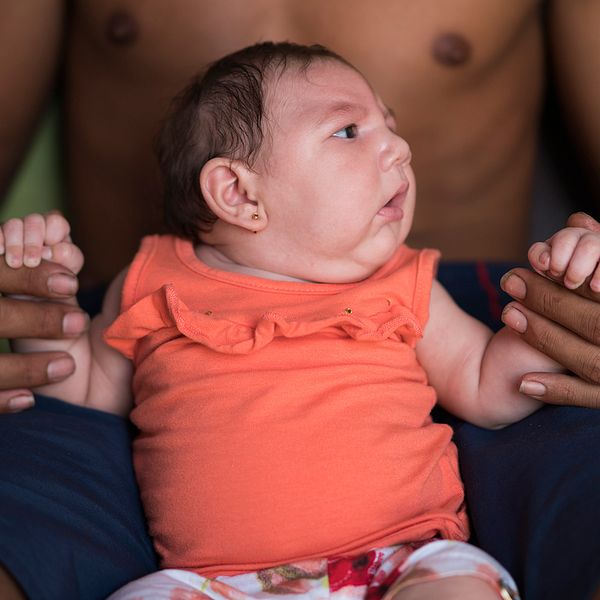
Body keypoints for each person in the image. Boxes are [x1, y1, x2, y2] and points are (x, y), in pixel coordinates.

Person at [1, 3, 600, 599]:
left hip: (402, 560)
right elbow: (82, 392)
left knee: (458, 585)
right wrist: (44, 301)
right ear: (238, 193)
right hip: (209, 583)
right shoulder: (154, 282)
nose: (399, 148)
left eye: (389, 126)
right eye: (348, 131)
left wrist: (558, 299)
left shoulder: (404, 280)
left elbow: (488, 387)